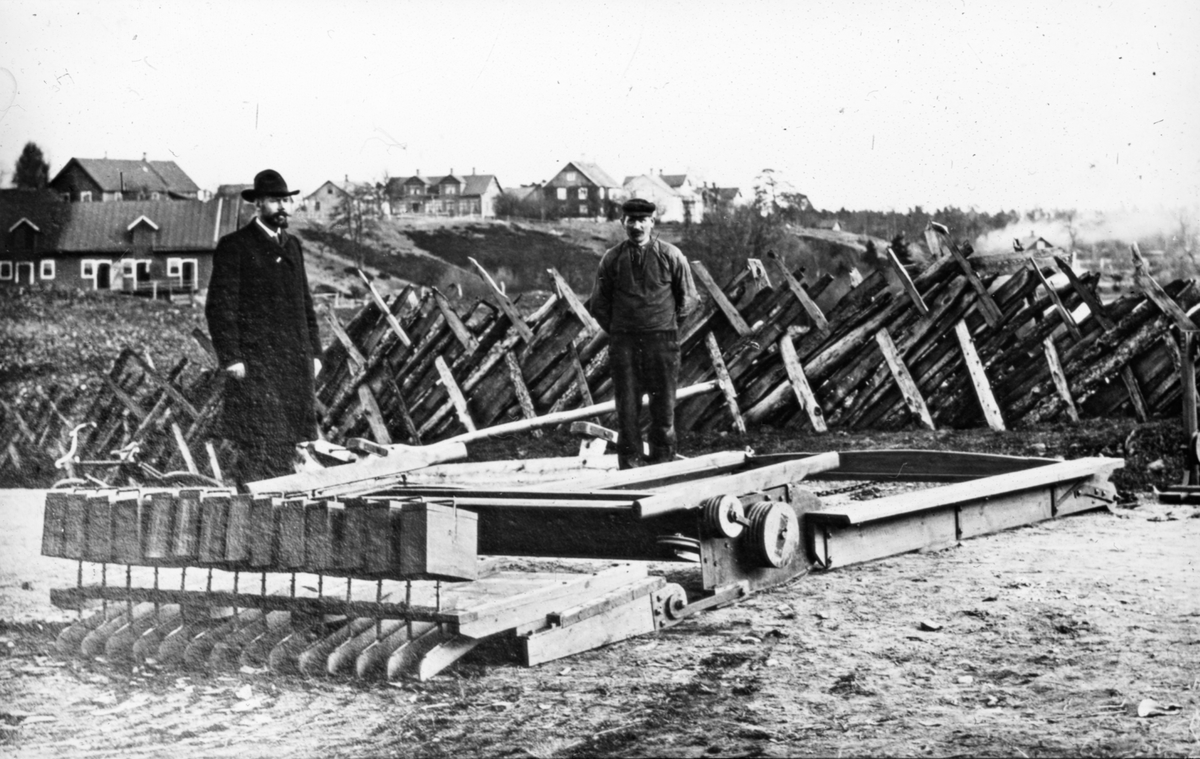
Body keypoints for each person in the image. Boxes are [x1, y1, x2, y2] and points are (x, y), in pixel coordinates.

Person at [205, 169, 323, 486]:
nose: (283, 207)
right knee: (260, 443)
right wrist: (231, 357)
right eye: (274, 200)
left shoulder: (293, 246)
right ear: (258, 204)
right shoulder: (236, 245)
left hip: (294, 364)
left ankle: (280, 505)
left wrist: (315, 353)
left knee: (289, 443)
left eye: (287, 200)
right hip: (257, 365)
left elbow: (306, 305)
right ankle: (255, 507)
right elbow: (219, 307)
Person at [589, 198, 697, 469]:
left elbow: (689, 299)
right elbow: (598, 304)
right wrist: (620, 329)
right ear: (622, 222)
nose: (636, 226)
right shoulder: (612, 258)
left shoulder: (671, 255)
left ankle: (663, 464)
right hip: (624, 344)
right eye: (631, 221)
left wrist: (664, 325)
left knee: (664, 408)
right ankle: (630, 466)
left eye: (642, 220)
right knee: (627, 409)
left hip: (662, 343)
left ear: (652, 222)